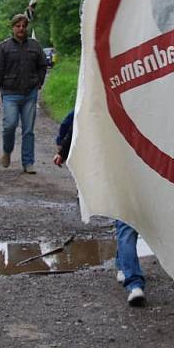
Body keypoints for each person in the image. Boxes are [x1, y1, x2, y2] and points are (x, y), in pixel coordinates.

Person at [53, 110, 147, 306]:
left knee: (129, 225)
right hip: (123, 170)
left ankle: (124, 265)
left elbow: (78, 118)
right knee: (127, 225)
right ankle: (134, 282)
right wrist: (63, 150)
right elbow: (80, 118)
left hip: (142, 169)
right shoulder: (103, 97)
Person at [0, 14, 48, 173]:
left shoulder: (35, 46)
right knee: (9, 126)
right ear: (13, 28)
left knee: (28, 129)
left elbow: (43, 65)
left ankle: (28, 162)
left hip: (30, 93)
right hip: (10, 93)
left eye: (23, 26)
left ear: (26, 27)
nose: (21, 29)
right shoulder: (4, 47)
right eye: (18, 26)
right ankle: (7, 151)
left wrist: (39, 81)